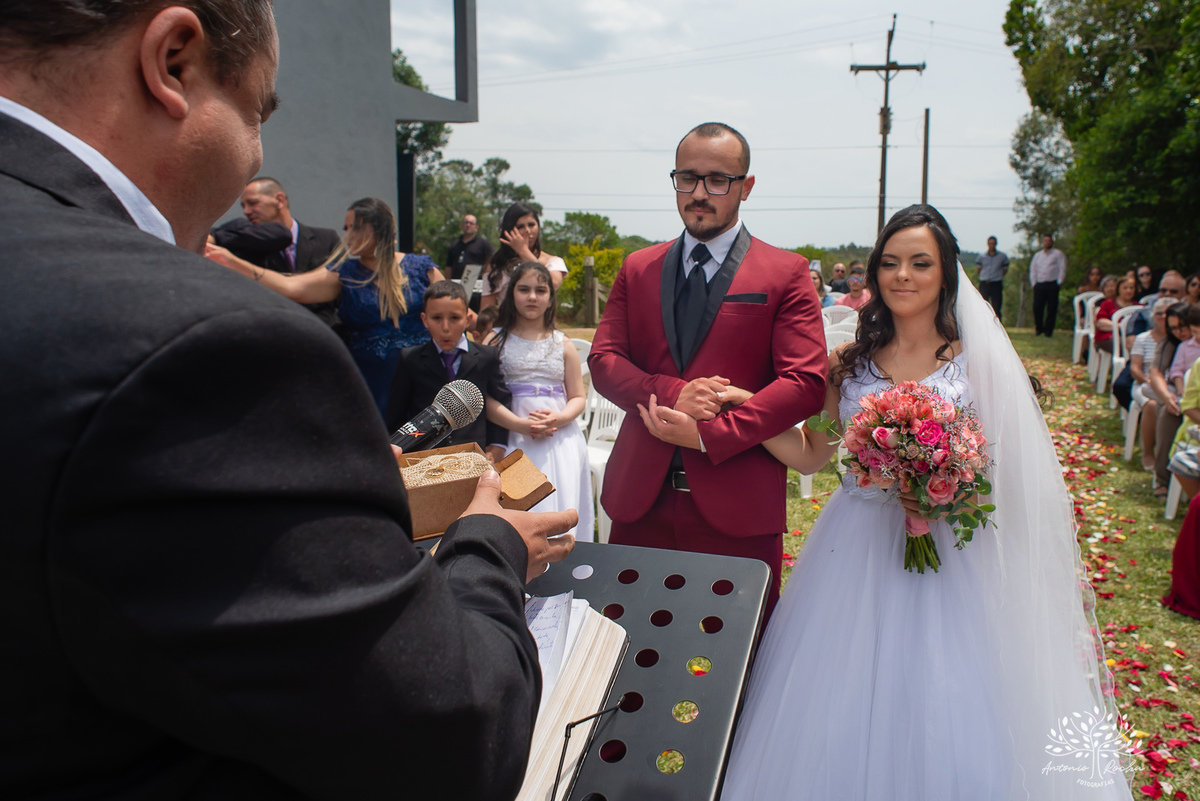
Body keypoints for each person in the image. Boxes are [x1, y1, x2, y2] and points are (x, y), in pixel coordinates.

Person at [0, 4, 578, 798]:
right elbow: (453, 735)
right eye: (257, 110)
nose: (255, 159)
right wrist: (487, 544)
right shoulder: (205, 345)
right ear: (173, 62)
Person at [703, 204, 1129, 800]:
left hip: (956, 549)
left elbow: (1009, 467)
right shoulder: (849, 367)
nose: (902, 275)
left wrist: (945, 484)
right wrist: (744, 412)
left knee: (950, 693)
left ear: (947, 273)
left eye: (920, 263)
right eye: (890, 263)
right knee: (842, 693)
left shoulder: (977, 365)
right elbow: (809, 455)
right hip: (853, 549)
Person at [588, 122, 827, 617]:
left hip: (738, 505)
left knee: (740, 664)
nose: (699, 193)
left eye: (718, 180)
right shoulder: (638, 268)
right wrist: (673, 392)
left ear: (746, 186)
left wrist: (708, 435)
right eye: (687, 178)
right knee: (624, 657)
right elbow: (604, 361)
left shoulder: (786, 272)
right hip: (640, 501)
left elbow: (804, 384)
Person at [207, 197, 445, 414]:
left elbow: (455, 308)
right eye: (346, 228)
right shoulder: (345, 273)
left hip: (423, 376)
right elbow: (292, 287)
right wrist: (232, 262)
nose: (348, 235)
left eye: (355, 227)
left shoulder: (420, 267)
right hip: (371, 381)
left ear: (378, 228)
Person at [486, 262, 594, 540]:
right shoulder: (494, 340)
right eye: (524, 289)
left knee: (559, 503)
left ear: (550, 298)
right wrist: (520, 425)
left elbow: (578, 397)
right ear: (512, 294)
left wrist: (559, 418)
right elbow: (484, 398)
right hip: (511, 438)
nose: (532, 297)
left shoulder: (563, 344)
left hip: (559, 438)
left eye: (540, 290)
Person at [385, 280, 511, 461]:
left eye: (454, 318)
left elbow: (501, 400)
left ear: (468, 320)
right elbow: (396, 414)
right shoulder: (410, 359)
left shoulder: (487, 357)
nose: (445, 328)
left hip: (474, 456)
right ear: (424, 320)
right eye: (436, 318)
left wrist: (498, 445)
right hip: (425, 460)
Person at [1149, 303, 1200, 496]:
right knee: (1166, 413)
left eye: (1183, 327)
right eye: (1173, 328)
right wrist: (1171, 396)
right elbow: (1157, 373)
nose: (1179, 332)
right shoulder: (1173, 345)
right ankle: (1162, 477)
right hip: (1175, 392)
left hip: (1190, 396)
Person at [482, 202, 567, 306]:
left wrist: (523, 251)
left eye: (531, 225)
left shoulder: (552, 262)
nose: (527, 231)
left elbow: (552, 283)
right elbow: (486, 310)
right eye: (520, 227)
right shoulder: (496, 265)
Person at [1130, 298, 1174, 466]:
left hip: (1171, 387)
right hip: (1144, 385)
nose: (1163, 317)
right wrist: (1151, 381)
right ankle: (1148, 453)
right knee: (1151, 404)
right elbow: (1135, 369)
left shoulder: (1179, 340)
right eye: (1159, 314)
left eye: (1167, 314)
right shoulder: (1142, 338)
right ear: (1153, 316)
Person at [1030, 233, 1067, 337]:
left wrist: (1059, 282)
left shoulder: (1058, 254)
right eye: (1045, 241)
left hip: (1052, 283)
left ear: (1052, 242)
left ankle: (1048, 330)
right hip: (1040, 284)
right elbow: (1033, 269)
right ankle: (1039, 328)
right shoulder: (1038, 255)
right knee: (1037, 307)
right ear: (1042, 242)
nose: (1047, 243)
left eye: (1049, 241)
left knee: (1051, 308)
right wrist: (1034, 283)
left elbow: (1062, 268)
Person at [1094, 274, 1140, 354]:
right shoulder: (1107, 304)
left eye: (1131, 288)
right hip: (1109, 337)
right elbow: (1100, 323)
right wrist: (1121, 326)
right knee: (1127, 345)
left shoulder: (1139, 307)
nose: (1128, 291)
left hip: (1133, 337)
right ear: (1118, 289)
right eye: (1125, 288)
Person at [975, 235, 1009, 317]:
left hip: (996, 282)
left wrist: (998, 276)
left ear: (996, 244)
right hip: (984, 282)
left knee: (996, 306)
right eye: (990, 243)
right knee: (983, 304)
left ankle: (997, 325)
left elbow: (1005, 269)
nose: (991, 245)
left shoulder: (1002, 256)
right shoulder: (982, 257)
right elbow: (979, 269)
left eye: (993, 243)